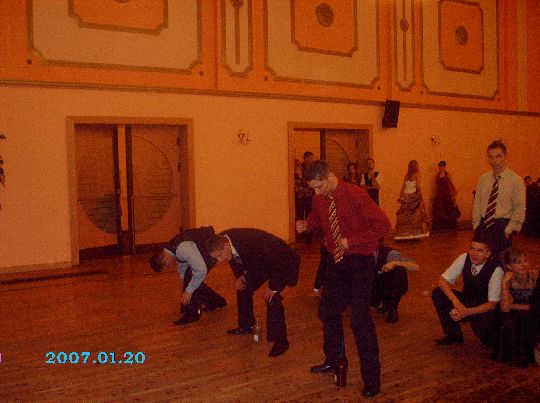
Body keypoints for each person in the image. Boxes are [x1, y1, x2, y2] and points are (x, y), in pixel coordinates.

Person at [296, 160, 391, 398]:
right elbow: (318, 217)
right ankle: (335, 360)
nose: (316, 193)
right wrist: (307, 225)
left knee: (360, 320)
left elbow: (383, 225)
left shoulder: (355, 194)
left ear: (329, 176)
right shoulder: (319, 197)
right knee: (327, 311)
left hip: (360, 260)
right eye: (313, 188)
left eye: (319, 187)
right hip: (336, 260)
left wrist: (353, 241)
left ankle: (372, 379)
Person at [206, 228, 300, 357]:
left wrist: (273, 287)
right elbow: (233, 257)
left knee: (272, 298)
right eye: (216, 257)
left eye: (219, 255)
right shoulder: (225, 240)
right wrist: (239, 275)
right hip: (262, 263)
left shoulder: (248, 244)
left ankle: (281, 341)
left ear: (226, 245)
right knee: (243, 287)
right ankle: (246, 325)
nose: (220, 260)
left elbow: (276, 260)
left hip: (283, 261)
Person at [431, 236, 503, 347]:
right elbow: (442, 281)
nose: (474, 253)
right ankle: (454, 335)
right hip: (468, 300)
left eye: (480, 250)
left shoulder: (496, 270)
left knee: (486, 338)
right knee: (438, 293)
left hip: (485, 308)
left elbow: (492, 305)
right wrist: (456, 302)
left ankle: (492, 339)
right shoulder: (464, 258)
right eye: (472, 249)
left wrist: (466, 312)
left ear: (488, 254)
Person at [149, 227, 227, 325]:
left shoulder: (182, 249)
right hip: (203, 248)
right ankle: (217, 301)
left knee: (191, 278)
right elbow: (182, 263)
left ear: (164, 259)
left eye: (167, 266)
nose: (170, 266)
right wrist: (185, 283)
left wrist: (188, 291)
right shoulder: (170, 249)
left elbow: (201, 270)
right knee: (190, 280)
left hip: (211, 249)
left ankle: (192, 314)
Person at [472, 140, 526, 262]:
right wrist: (476, 225)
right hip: (483, 225)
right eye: (491, 157)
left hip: (502, 227)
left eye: (498, 156)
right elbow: (477, 204)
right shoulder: (483, 179)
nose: (494, 160)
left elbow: (519, 207)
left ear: (505, 156)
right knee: (481, 262)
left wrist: (509, 230)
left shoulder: (516, 180)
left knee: (501, 263)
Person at [492, 248, 538, 367]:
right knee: (509, 319)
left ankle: (527, 354)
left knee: (524, 317)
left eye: (525, 260)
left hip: (533, 313)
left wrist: (515, 306)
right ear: (509, 266)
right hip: (519, 314)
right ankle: (516, 355)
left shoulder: (534, 277)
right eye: (518, 262)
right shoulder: (508, 280)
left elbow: (536, 307)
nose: (524, 264)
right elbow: (505, 308)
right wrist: (504, 285)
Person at [371, 241, 419, 323]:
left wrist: (395, 263)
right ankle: (384, 303)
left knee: (399, 270)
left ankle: (393, 307)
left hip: (390, 284)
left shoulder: (391, 254)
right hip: (376, 283)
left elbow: (416, 267)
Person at [394, 160, 429, 240]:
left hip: (406, 196)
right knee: (415, 216)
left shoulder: (407, 175)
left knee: (405, 216)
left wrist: (400, 196)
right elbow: (418, 187)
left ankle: (405, 233)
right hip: (413, 197)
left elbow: (403, 187)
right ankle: (414, 233)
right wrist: (420, 196)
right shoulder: (416, 175)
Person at [431, 161, 459, 231]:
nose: (441, 168)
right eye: (439, 166)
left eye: (442, 166)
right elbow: (436, 186)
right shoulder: (437, 175)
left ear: (444, 167)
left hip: (447, 194)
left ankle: (449, 226)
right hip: (439, 195)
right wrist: (434, 194)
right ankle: (441, 226)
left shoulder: (447, 175)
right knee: (439, 209)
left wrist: (452, 195)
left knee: (448, 209)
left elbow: (451, 184)